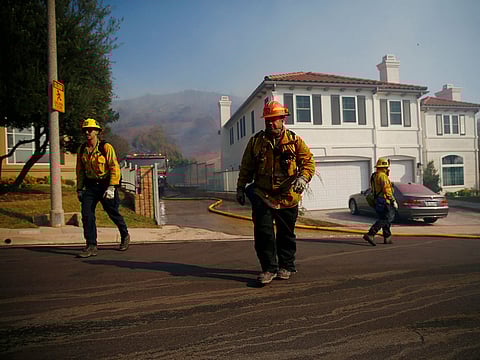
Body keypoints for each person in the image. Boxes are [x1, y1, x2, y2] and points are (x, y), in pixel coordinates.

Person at [236, 100, 315, 285]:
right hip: (263, 195)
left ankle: (286, 266)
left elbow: (308, 163)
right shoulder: (256, 142)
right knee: (263, 234)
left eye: (275, 119)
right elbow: (246, 167)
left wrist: (303, 178)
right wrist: (240, 188)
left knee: (286, 234)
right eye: (268, 120)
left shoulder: (295, 141)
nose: (271, 123)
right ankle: (268, 269)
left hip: (288, 197)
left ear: (282, 119)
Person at [76, 118, 130, 258]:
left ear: (97, 131)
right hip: (90, 186)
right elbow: (80, 170)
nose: (88, 132)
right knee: (87, 215)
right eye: (85, 130)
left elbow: (114, 167)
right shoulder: (82, 149)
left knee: (112, 212)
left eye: (91, 129)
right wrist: (79, 189)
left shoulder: (106, 147)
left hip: (106, 185)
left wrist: (112, 187)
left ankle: (124, 235)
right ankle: (91, 245)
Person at [363, 157, 398, 246]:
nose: (388, 169)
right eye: (386, 167)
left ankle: (387, 237)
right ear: (383, 167)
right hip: (384, 201)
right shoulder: (382, 176)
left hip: (377, 201)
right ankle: (371, 234)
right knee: (385, 219)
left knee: (384, 219)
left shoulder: (374, 175)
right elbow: (387, 190)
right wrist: (393, 200)